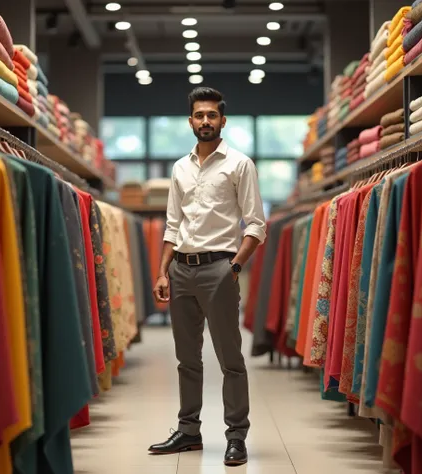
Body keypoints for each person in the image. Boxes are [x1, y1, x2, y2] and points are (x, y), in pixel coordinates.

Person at [148, 87, 266, 466]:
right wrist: (163, 270)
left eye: (211, 115)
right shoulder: (180, 168)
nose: (205, 121)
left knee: (230, 357)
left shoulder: (239, 164)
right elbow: (172, 224)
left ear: (222, 120)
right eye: (199, 115)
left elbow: (256, 225)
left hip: (220, 268)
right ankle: (188, 431)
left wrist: (233, 268)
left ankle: (236, 436)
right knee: (187, 359)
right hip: (180, 269)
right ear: (190, 121)